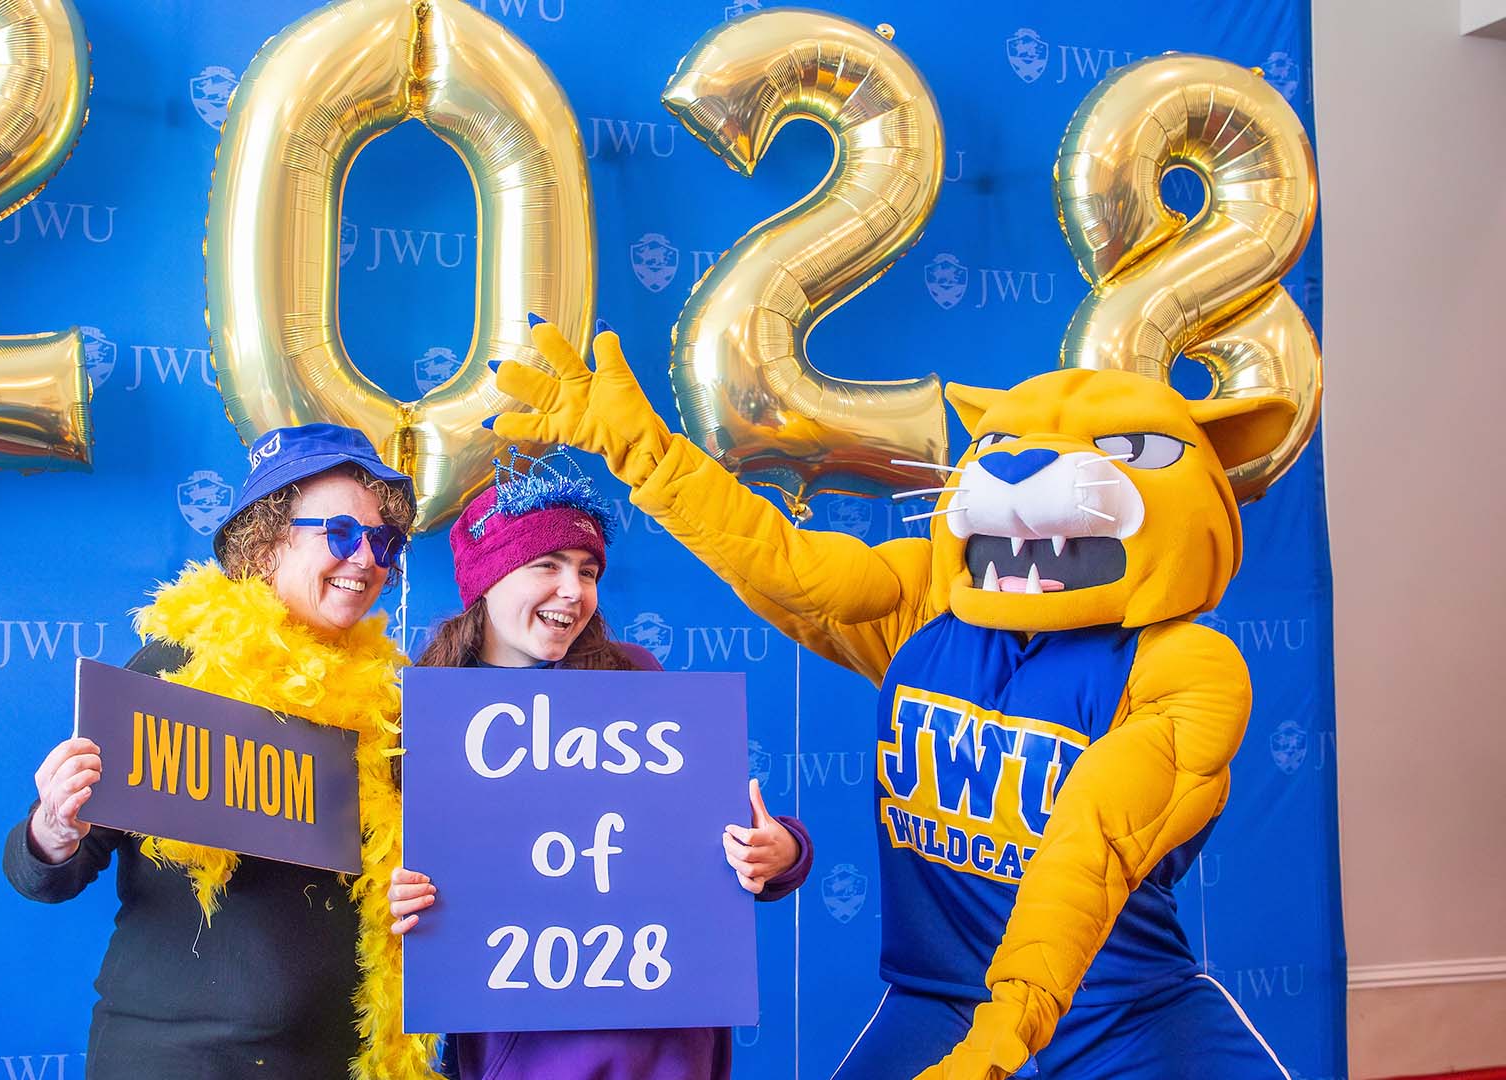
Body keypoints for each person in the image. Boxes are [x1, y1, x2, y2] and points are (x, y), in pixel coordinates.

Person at [486, 318, 1295, 1080]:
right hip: (940, 1001)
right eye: (1003, 443)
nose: (1017, 468)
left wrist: (1006, 1032)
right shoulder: (926, 606)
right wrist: (642, 451)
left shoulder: (1183, 664)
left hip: (1123, 1011)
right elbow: (785, 566)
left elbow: (1092, 842)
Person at [3, 423, 441, 1080]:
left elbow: (399, 877)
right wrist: (54, 827)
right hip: (179, 1060)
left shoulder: (387, 707)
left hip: (333, 1059)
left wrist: (412, 896)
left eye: (384, 542)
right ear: (265, 544)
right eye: (343, 535)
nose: (367, 559)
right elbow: (48, 873)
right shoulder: (176, 670)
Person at [388, 448, 814, 1080]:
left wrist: (780, 853)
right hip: (518, 1046)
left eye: (588, 571)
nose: (573, 590)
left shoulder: (633, 675)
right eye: (548, 565)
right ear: (489, 578)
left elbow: (712, 833)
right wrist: (394, 900)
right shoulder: (427, 712)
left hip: (668, 1039)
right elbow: (392, 878)